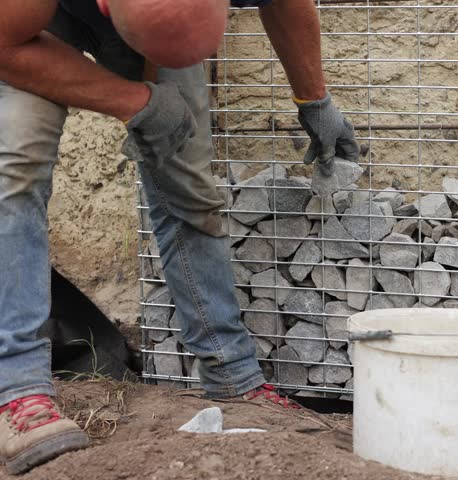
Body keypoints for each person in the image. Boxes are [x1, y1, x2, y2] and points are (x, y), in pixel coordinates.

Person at [0, 0, 359, 474]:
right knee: (16, 170)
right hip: (28, 25)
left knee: (189, 186)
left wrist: (314, 101)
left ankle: (232, 377)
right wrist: (137, 103)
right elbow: (4, 44)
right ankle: (17, 392)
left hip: (151, 25)